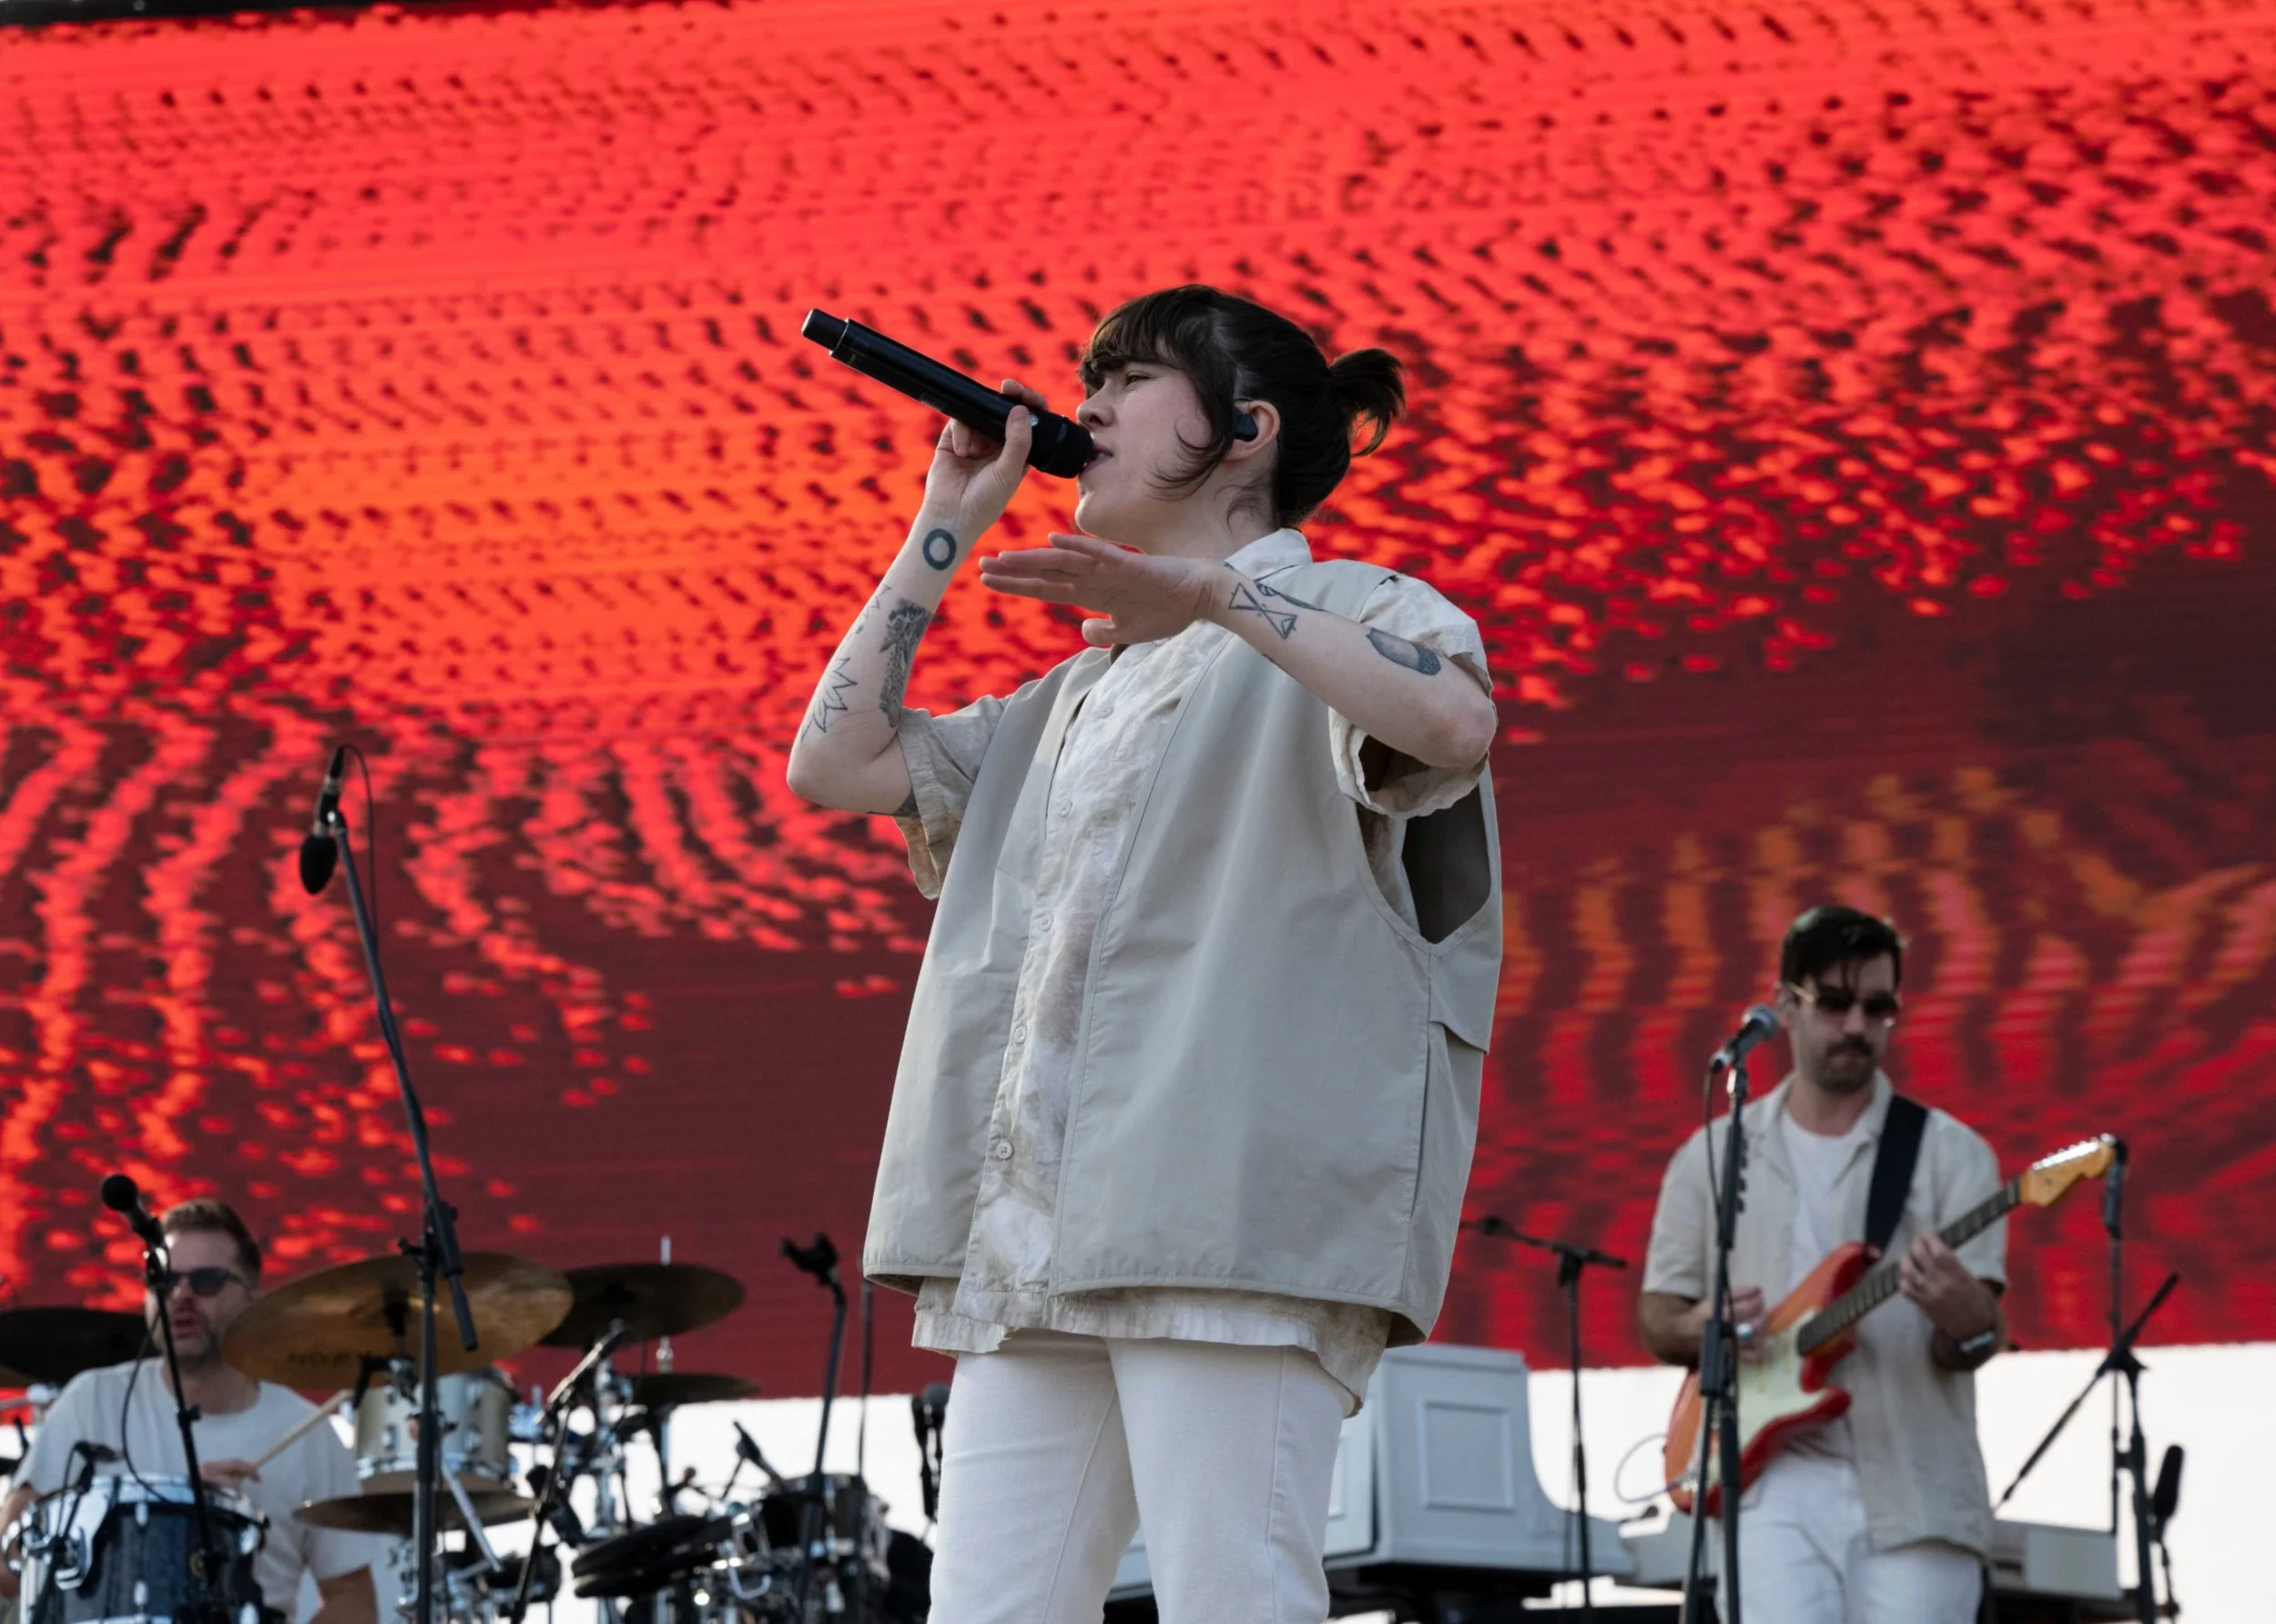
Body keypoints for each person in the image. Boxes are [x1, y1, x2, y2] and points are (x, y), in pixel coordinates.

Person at [786, 284, 1503, 1624]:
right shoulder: (1068, 696)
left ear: (1246, 430)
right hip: (1038, 1242)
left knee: (1236, 1599)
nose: (1090, 408)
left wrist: (1221, 596)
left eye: (1128, 379)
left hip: (1233, 1227)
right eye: (1090, 382)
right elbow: (833, 762)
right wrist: (947, 521)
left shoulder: (1355, 607)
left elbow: (1455, 727)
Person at [1639, 905, 2007, 1623]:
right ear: (1785, 1005)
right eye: (1835, 1003)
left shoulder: (1953, 1154)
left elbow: (1977, 1342)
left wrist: (1965, 1319)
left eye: (1878, 1007)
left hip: (1915, 1484)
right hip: (1768, 1481)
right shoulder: (1710, 1153)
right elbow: (1659, 1317)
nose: (1857, 1026)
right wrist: (1703, 1325)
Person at [1, 1198, 380, 1624]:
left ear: (251, 1299)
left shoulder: (305, 1431)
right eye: (163, 1280)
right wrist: (175, 1503)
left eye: (207, 1281)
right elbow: (7, 1563)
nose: (180, 1295)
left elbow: (355, 1600)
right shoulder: (93, 1400)